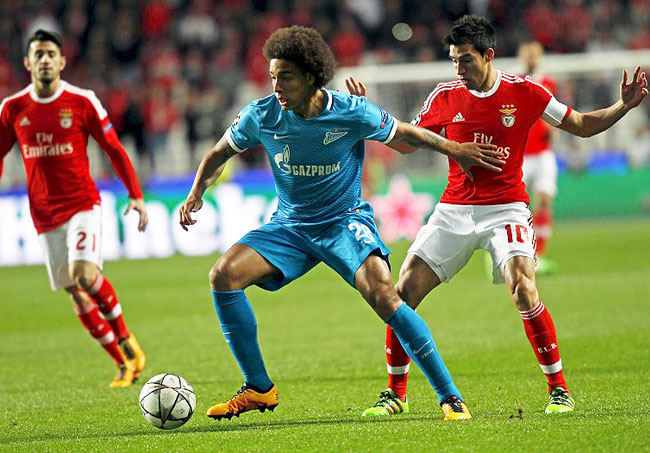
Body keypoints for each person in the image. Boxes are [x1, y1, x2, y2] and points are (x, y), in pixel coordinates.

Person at [178, 25, 506, 421]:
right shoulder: (261, 115)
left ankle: (449, 397)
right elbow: (218, 153)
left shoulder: (350, 111)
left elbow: (407, 133)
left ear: (312, 77)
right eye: (272, 77)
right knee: (222, 275)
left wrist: (456, 148)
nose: (277, 86)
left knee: (385, 295)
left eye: (286, 76)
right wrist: (196, 192)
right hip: (290, 227)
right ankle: (258, 389)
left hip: (343, 221)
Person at [353, 15, 647, 416]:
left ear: (489, 55)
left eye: (467, 61)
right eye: (454, 61)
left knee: (524, 288)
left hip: (505, 208)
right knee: (401, 294)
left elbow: (579, 125)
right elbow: (407, 143)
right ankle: (396, 395)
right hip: (454, 209)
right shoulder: (444, 95)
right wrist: (367, 114)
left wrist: (622, 106)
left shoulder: (525, 92)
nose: (459, 70)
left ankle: (559, 390)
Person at [0, 30, 148, 388]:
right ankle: (122, 363)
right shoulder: (12, 108)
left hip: (82, 203)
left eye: (52, 53)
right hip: (43, 214)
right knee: (74, 291)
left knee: (84, 274)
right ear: (28, 62)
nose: (46, 59)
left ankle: (127, 339)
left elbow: (113, 147)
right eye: (39, 54)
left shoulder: (82, 101)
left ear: (62, 61)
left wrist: (136, 194)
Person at [518, 41, 559, 274]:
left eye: (536, 53)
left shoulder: (548, 82)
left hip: (543, 152)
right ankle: (512, 253)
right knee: (517, 206)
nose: (532, 57)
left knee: (544, 200)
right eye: (528, 52)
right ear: (522, 56)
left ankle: (539, 255)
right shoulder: (515, 81)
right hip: (521, 154)